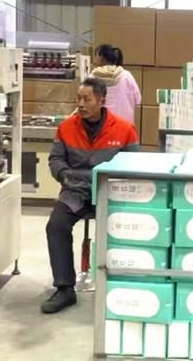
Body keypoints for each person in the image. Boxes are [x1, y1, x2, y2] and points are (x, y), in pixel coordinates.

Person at [41, 77, 140, 314]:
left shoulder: (124, 129)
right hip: (74, 192)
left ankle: (122, 283)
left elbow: (134, 163)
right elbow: (56, 160)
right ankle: (64, 288)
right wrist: (65, 176)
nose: (81, 104)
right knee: (56, 225)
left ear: (101, 101)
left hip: (109, 193)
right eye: (78, 99)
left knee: (127, 226)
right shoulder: (66, 128)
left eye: (87, 99)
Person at [89, 44, 141, 126]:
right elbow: (138, 99)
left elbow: (85, 101)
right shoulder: (126, 76)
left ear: (101, 58)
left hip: (100, 127)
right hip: (124, 126)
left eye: (96, 56)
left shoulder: (92, 78)